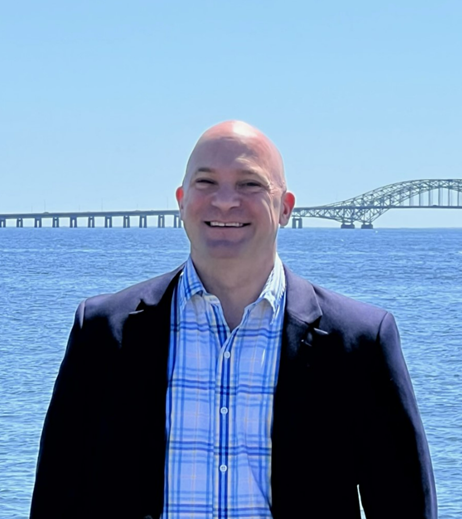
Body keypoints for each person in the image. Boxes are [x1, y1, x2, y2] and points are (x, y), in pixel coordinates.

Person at [30, 121, 437, 519]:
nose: (225, 201)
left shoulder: (359, 342)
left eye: (250, 184)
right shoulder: (103, 331)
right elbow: (56, 498)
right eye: (206, 183)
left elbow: (404, 506)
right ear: (182, 201)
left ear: (285, 208)